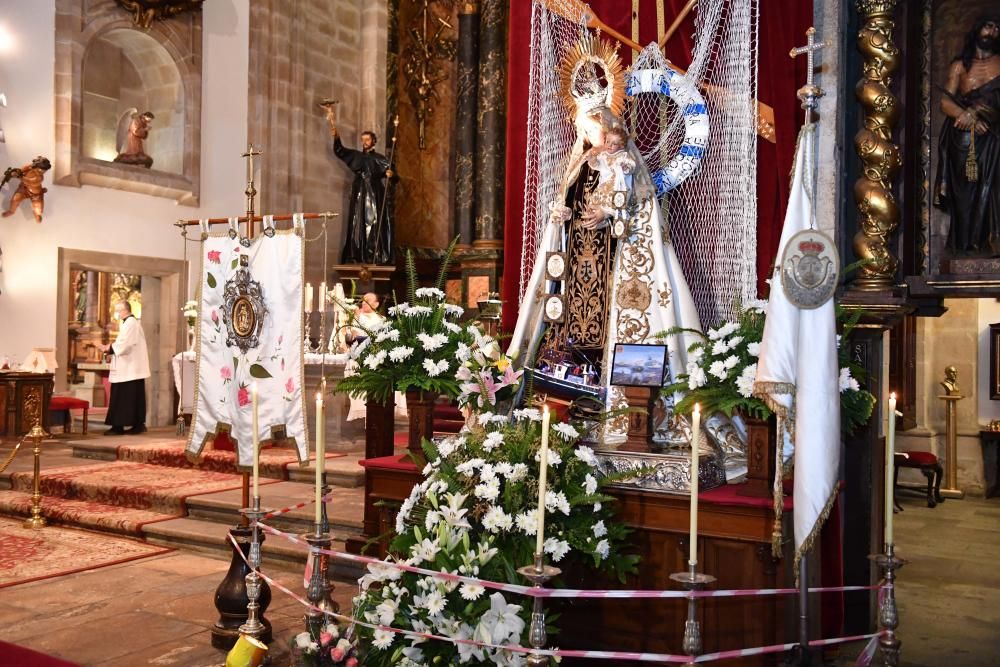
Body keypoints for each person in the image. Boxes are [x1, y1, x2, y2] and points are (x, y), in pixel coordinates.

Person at [935, 16, 1000, 256]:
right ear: (977, 29)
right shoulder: (959, 66)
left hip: (994, 138)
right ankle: (964, 247)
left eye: (997, 28)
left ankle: (991, 246)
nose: (992, 31)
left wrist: (984, 113)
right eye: (988, 25)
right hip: (964, 138)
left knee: (993, 188)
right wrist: (966, 114)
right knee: (965, 192)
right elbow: (944, 102)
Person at [325, 107, 395, 265]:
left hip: (374, 193)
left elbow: (392, 173)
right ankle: (356, 255)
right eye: (362, 140)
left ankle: (374, 255)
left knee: (373, 223)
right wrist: (336, 135)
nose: (364, 142)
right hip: (359, 193)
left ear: (373, 142)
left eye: (367, 140)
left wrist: (390, 174)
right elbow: (340, 151)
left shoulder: (380, 159)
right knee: (357, 223)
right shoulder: (356, 156)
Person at [100, 301, 151, 435]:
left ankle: (118, 426)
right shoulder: (129, 323)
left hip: (129, 368)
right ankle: (137, 424)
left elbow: (124, 344)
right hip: (129, 368)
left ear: (124, 310)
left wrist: (109, 348)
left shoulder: (130, 323)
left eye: (118, 311)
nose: (116, 314)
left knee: (122, 397)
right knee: (132, 397)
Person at [2, 156, 52, 223]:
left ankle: (37, 214)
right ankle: (11, 211)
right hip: (23, 189)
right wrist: (13, 173)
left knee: (39, 209)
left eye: (44, 171)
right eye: (40, 170)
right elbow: (19, 171)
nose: (41, 173)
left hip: (36, 194)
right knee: (15, 200)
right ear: (35, 166)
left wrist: (18, 175)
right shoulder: (28, 167)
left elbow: (28, 181)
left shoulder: (39, 178)